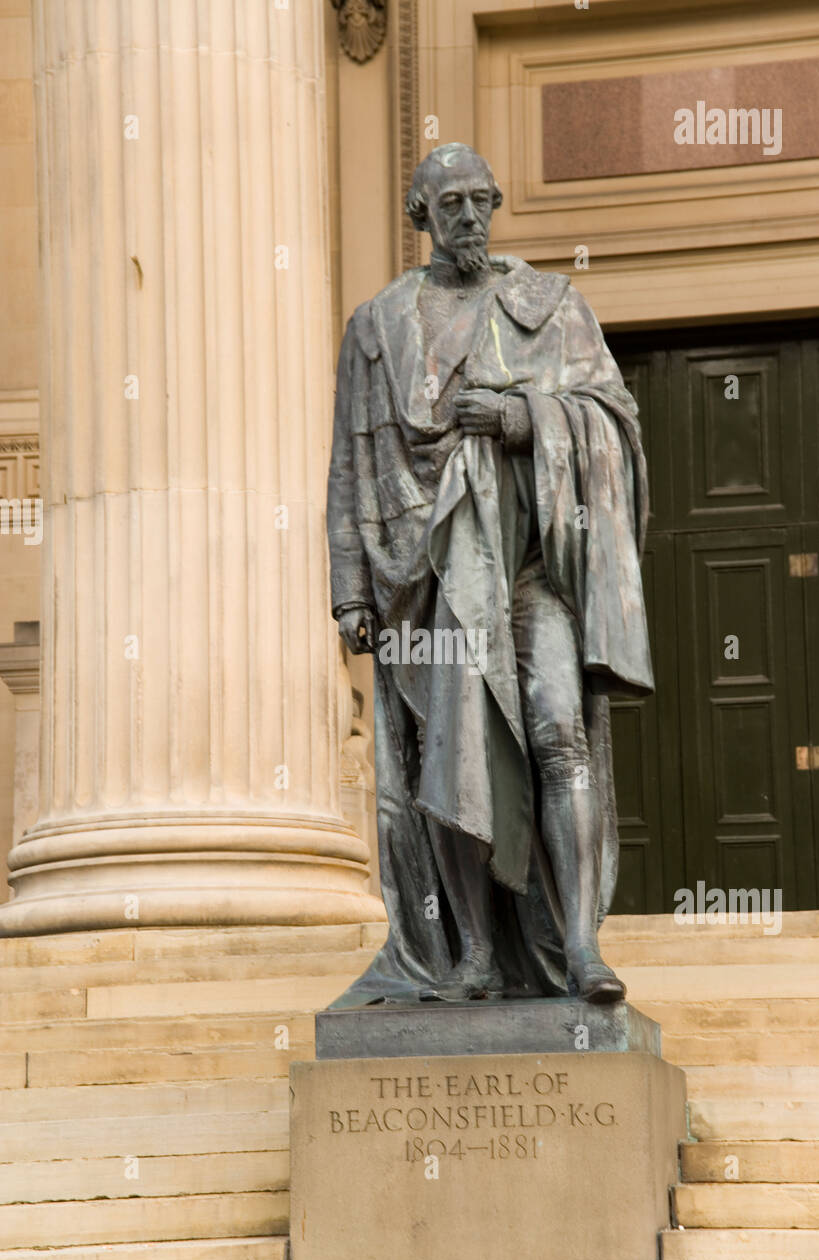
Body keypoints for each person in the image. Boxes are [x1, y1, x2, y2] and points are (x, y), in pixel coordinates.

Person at [327, 144, 653, 1005]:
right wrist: (352, 588)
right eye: (452, 204)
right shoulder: (377, 327)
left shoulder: (552, 309)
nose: (470, 218)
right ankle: (471, 953)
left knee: (558, 731)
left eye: (482, 201)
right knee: (451, 761)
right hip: (424, 579)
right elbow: (352, 463)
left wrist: (519, 417)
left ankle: (580, 948)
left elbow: (613, 425)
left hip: (531, 567)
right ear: (419, 215)